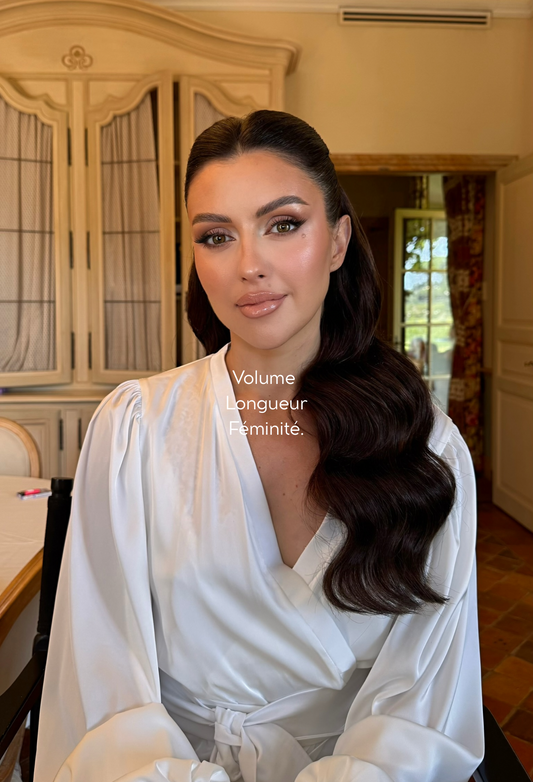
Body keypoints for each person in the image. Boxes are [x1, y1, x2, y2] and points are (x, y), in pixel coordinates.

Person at [34, 110, 484, 782]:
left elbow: (423, 708)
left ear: (337, 241)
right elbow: (103, 682)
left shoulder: (426, 448)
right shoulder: (134, 429)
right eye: (216, 237)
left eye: (283, 225)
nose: (249, 266)